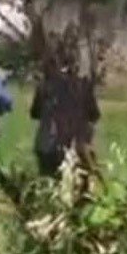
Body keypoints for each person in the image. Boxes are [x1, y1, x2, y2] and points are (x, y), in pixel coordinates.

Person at [31, 31, 100, 177]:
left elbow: (35, 113)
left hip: (46, 146)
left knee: (47, 183)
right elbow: (94, 115)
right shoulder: (83, 86)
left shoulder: (45, 86)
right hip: (73, 146)